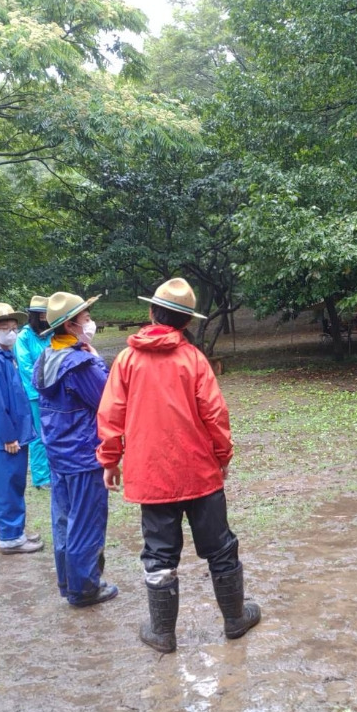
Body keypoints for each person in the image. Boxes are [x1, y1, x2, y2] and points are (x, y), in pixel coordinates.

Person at [97, 278, 260, 654]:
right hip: (200, 473)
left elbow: (110, 416)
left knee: (158, 552)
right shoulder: (193, 360)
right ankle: (235, 619)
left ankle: (163, 632)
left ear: (151, 312)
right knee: (220, 547)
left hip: (151, 477)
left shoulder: (126, 361)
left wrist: (109, 460)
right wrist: (222, 458)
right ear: (186, 323)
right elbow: (216, 414)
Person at [33, 291, 118, 607]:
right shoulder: (79, 364)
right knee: (87, 520)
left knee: (64, 520)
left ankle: (69, 581)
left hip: (58, 453)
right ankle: (85, 588)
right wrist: (95, 359)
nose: (90, 323)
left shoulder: (46, 358)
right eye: (85, 319)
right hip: (84, 454)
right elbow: (107, 398)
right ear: (70, 325)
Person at [0, 303, 43, 554]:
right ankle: (11, 537)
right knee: (7, 486)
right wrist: (8, 436)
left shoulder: (6, 356)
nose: (11, 333)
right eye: (5, 328)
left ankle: (16, 531)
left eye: (14, 328)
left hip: (17, 433)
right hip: (8, 438)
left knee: (14, 483)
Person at [14, 295, 52, 490]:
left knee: (54, 432)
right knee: (39, 435)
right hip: (35, 393)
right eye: (41, 314)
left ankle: (54, 471)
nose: (45, 317)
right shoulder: (24, 337)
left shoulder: (51, 333)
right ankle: (41, 477)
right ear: (34, 315)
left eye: (47, 313)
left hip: (54, 392)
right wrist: (45, 382)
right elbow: (26, 367)